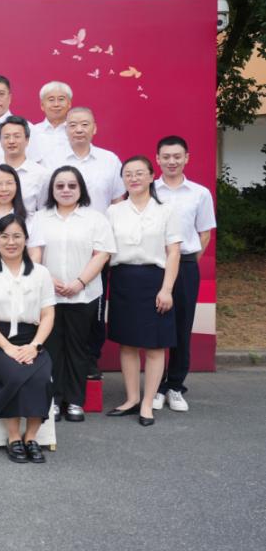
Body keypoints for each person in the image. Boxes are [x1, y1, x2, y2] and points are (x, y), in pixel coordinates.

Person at [0, 214, 56, 464]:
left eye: (17, 236)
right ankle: (14, 437)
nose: (11, 242)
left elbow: (48, 314)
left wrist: (35, 346)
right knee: (16, 373)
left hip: (31, 339)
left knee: (40, 376)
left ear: (26, 239)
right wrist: (7, 347)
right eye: (4, 236)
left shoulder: (40, 273)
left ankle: (31, 438)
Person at [34, 166, 116, 422]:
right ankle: (54, 400)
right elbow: (34, 255)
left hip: (85, 294)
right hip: (49, 294)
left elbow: (102, 254)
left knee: (78, 348)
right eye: (60, 186)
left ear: (81, 189)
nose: (66, 190)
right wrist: (50, 280)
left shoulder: (96, 219)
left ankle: (75, 401)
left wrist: (79, 282)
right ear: (52, 190)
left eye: (72, 185)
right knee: (51, 347)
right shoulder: (39, 218)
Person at [106, 156, 182, 427]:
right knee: (127, 344)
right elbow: (105, 250)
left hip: (155, 281)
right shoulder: (114, 211)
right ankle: (131, 399)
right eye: (128, 174)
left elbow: (174, 252)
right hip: (123, 279)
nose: (134, 178)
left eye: (140, 173)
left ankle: (148, 403)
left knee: (154, 346)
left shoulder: (166, 210)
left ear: (151, 176)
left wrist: (167, 289)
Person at [153, 135, 216, 413]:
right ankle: (156, 387)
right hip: (154, 264)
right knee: (154, 326)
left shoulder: (199, 193)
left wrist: (182, 262)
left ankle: (175, 386)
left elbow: (204, 234)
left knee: (182, 326)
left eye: (177, 156)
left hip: (187, 265)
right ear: (157, 159)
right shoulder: (149, 190)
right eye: (166, 156)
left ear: (186, 158)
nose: (172, 161)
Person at [41, 107, 123, 213]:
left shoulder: (110, 160)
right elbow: (44, 200)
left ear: (94, 128)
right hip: (61, 223)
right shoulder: (50, 160)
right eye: (73, 125)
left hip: (100, 223)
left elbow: (117, 200)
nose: (79, 130)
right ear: (66, 130)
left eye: (85, 124)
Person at [0, 165, 44, 264]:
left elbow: (35, 254)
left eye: (9, 183)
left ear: (17, 185)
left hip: (20, 273)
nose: (4, 189)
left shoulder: (29, 218)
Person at [0, 116, 49, 213]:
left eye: (17, 136)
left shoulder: (41, 174)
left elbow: (44, 211)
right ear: (0, 140)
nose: (11, 141)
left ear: (27, 140)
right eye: (6, 137)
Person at [28, 81, 74, 163]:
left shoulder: (76, 132)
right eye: (51, 100)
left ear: (69, 104)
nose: (56, 104)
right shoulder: (33, 132)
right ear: (42, 105)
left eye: (61, 99)